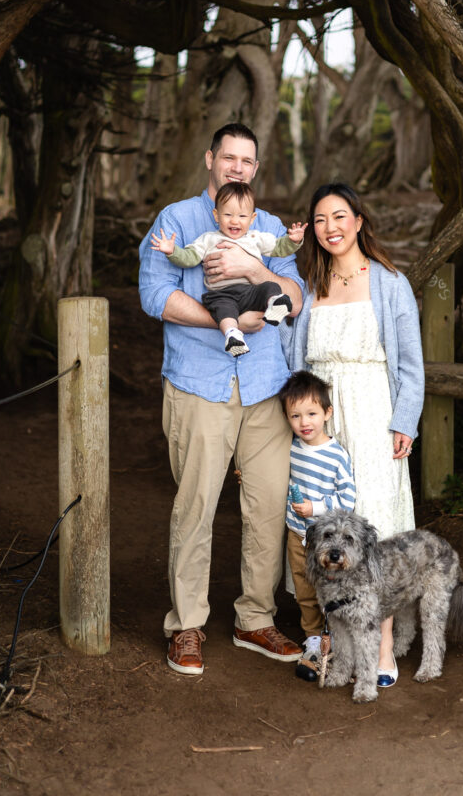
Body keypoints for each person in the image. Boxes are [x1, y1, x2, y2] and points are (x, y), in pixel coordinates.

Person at [138, 123, 304, 676]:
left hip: (264, 387)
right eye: (228, 157)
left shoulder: (271, 227)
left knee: (267, 508)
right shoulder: (178, 221)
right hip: (199, 385)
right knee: (196, 506)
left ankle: (254, 619)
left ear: (256, 169)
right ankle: (186, 624)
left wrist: (253, 272)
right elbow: (156, 296)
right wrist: (229, 318)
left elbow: (295, 296)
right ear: (210, 158)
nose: (237, 167)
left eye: (247, 160)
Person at [280, 182, 425, 688]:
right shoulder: (308, 283)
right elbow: (291, 358)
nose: (330, 228)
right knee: (323, 526)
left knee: (375, 525)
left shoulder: (390, 283)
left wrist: (404, 419)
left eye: (339, 216)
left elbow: (410, 361)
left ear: (359, 221)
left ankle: (382, 645)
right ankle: (334, 641)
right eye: (319, 220)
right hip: (322, 419)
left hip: (370, 414)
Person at [150, 181, 306, 356]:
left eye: (242, 216)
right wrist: (172, 251)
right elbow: (190, 257)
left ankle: (274, 305)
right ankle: (232, 335)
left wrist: (293, 241)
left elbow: (279, 248)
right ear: (216, 215)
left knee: (271, 287)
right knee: (224, 310)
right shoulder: (208, 239)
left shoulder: (255, 237)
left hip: (250, 293)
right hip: (222, 294)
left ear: (252, 218)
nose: (234, 221)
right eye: (228, 214)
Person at [278, 370, 356, 683]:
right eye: (295, 416)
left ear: (327, 413)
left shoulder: (336, 455)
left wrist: (317, 508)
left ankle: (338, 642)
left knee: (331, 590)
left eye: (311, 413)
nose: (303, 422)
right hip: (297, 534)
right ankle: (313, 640)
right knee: (304, 588)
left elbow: (347, 498)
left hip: (326, 542)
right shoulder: (292, 447)